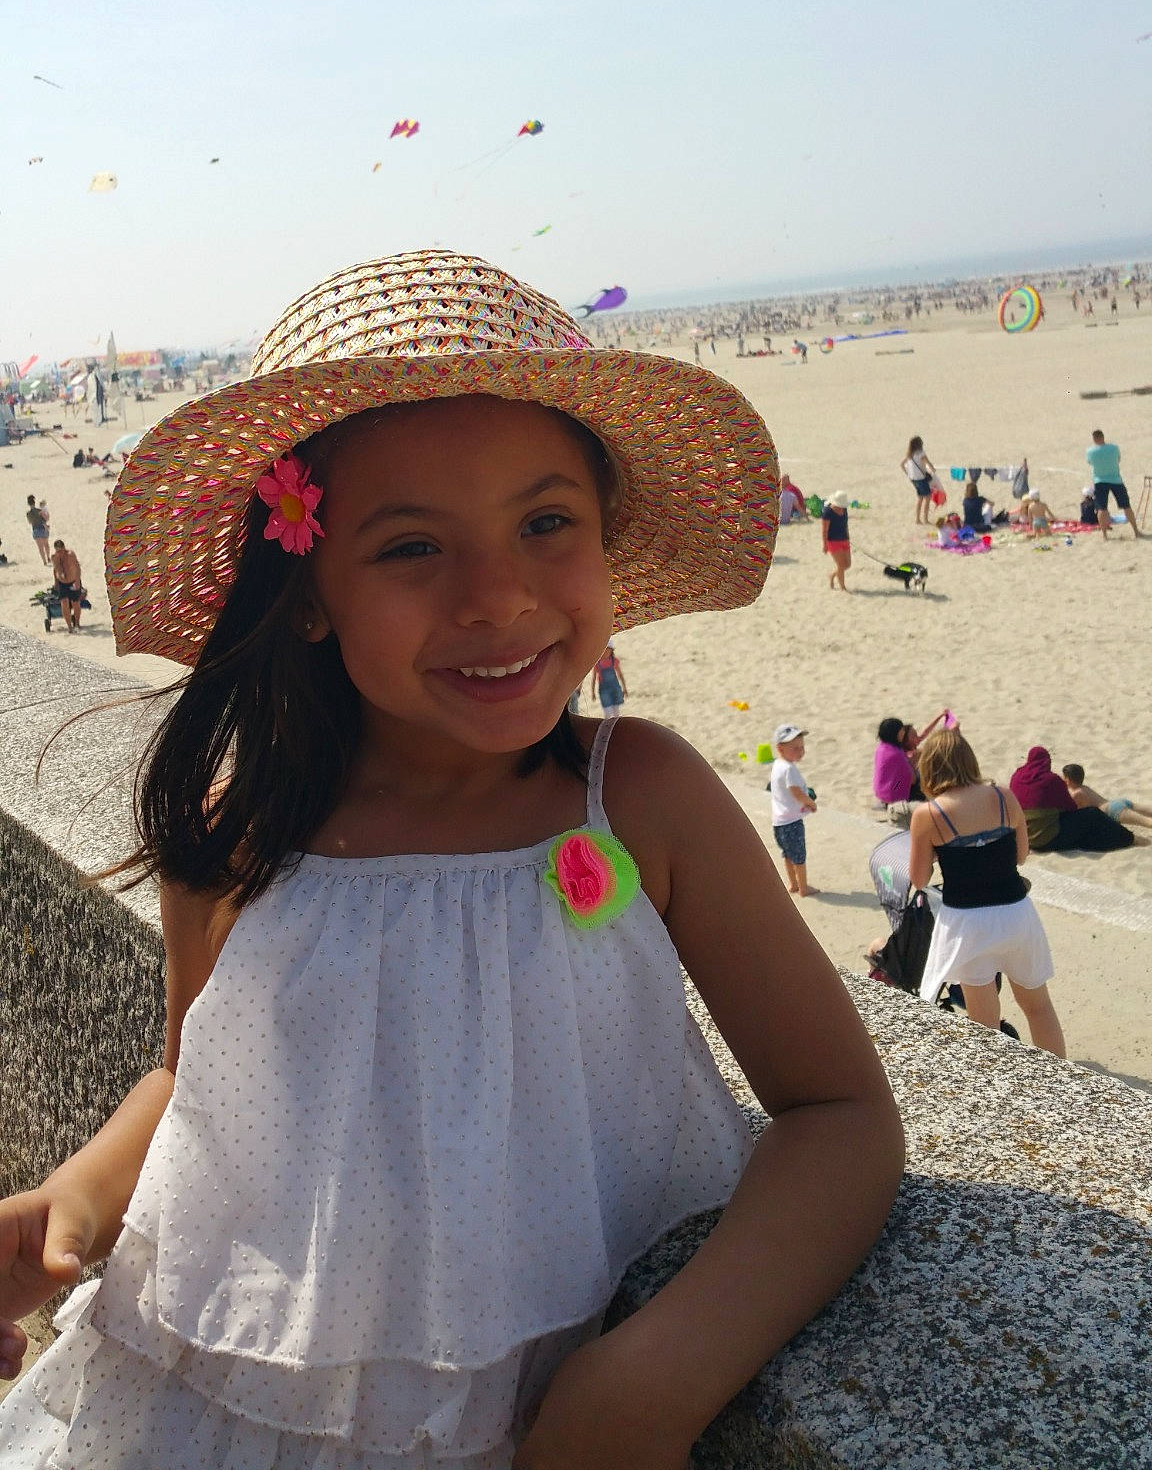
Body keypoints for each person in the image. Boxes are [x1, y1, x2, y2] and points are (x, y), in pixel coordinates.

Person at [0, 248, 903, 1466]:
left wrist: (657, 1369)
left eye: (544, 523)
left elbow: (841, 1113)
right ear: (308, 589)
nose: (496, 594)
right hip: (196, 1401)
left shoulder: (636, 799)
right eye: (412, 547)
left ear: (604, 536)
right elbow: (201, 1078)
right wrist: (80, 1199)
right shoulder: (239, 826)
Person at [909, 730, 1064, 1056]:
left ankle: (1000, 1090)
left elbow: (919, 878)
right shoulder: (1003, 796)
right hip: (1015, 914)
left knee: (985, 1026)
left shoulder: (928, 814)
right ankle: (1062, 1085)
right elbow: (1021, 856)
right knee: (1038, 1007)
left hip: (968, 924)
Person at [1009, 745, 1134, 853]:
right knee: (1093, 814)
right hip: (1046, 838)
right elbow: (1070, 807)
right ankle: (1128, 838)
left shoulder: (1016, 777)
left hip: (1026, 838)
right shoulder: (1051, 780)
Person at [769, 725, 818, 898]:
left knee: (787, 854)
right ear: (780, 748)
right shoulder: (789, 769)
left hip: (779, 822)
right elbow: (796, 792)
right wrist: (810, 802)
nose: (800, 752)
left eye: (802, 747)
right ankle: (804, 887)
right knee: (799, 857)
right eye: (795, 748)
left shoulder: (778, 765)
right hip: (792, 822)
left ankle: (793, 884)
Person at [872, 714, 950, 821]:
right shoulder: (898, 754)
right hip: (894, 794)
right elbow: (912, 779)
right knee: (924, 778)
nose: (902, 732)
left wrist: (940, 716)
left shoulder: (881, 748)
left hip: (881, 791)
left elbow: (924, 733)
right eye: (901, 731)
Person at [1061, 764, 1152, 841]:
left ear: (1068, 779)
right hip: (1117, 802)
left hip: (1113, 811)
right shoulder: (1084, 787)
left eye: (1064, 777)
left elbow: (1071, 810)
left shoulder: (1076, 794)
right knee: (1146, 811)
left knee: (1147, 822)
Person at [1086, 428, 1143, 539]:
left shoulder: (1090, 451)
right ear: (1103, 436)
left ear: (1094, 439)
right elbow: (1118, 460)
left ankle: (1105, 535)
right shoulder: (1113, 448)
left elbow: (1089, 462)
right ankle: (1136, 531)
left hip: (1100, 481)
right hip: (1116, 480)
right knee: (1126, 506)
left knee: (1102, 509)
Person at [50, 540, 84, 633]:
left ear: (64, 548)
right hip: (62, 583)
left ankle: (77, 623)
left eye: (61, 551)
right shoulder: (54, 557)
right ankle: (69, 627)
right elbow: (55, 570)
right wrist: (56, 582)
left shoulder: (70, 554)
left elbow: (77, 567)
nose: (59, 553)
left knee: (75, 603)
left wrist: (77, 581)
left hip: (73, 581)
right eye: (57, 551)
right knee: (64, 603)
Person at [901, 437, 936, 524]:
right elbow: (928, 463)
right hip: (921, 479)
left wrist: (908, 474)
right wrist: (933, 470)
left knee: (920, 498)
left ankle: (917, 519)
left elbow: (902, 465)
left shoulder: (909, 454)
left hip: (913, 479)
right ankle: (925, 519)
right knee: (927, 498)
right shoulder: (921, 454)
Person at [821, 488, 852, 590]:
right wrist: (825, 545)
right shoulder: (828, 512)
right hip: (833, 541)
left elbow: (845, 524)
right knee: (841, 564)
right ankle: (843, 587)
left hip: (845, 539)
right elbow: (824, 530)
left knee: (847, 564)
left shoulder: (844, 509)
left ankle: (832, 576)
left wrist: (848, 536)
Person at [590, 640, 627, 717]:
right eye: (603, 650)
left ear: (611, 651)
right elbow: (593, 678)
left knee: (616, 711)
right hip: (604, 690)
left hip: (615, 688)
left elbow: (620, 675)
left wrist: (624, 688)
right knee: (607, 712)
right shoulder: (597, 663)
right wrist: (593, 692)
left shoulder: (614, 661)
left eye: (607, 650)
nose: (605, 653)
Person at [26, 494, 50, 566]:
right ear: (34, 502)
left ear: (28, 504)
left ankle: (44, 561)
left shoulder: (28, 513)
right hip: (43, 529)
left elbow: (30, 522)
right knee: (46, 545)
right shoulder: (40, 511)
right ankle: (48, 557)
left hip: (35, 530)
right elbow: (46, 519)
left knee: (40, 548)